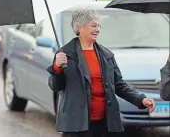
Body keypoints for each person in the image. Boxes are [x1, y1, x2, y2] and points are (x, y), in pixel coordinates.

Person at [47, 8, 155, 137]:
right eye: (93, 25)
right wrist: (57, 66)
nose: (97, 29)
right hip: (77, 125)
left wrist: (140, 99)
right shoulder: (65, 54)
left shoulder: (106, 55)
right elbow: (56, 86)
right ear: (79, 27)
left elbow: (119, 85)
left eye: (99, 25)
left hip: (105, 124)